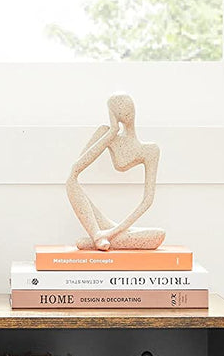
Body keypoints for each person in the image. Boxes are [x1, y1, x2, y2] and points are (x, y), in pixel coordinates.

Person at [64, 94, 166, 251]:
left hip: (111, 229)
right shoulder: (106, 133)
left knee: (159, 235)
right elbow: (75, 170)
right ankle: (97, 236)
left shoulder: (150, 150)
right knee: (70, 182)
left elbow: (147, 201)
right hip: (98, 225)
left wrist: (111, 232)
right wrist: (112, 131)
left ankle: (97, 239)